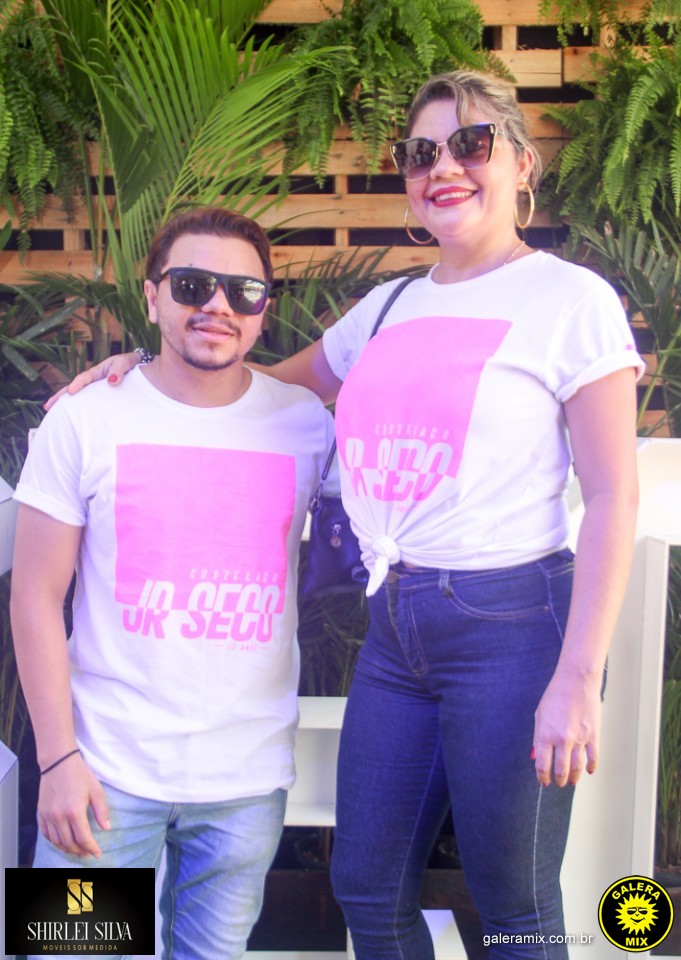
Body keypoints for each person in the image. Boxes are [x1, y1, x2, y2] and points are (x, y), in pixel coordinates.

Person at [49, 71, 643, 959]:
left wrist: (576, 677)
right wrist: (138, 366)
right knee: (365, 886)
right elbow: (248, 388)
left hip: (513, 625)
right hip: (394, 628)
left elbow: (611, 494)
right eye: (419, 152)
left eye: (470, 144)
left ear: (521, 163)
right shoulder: (390, 305)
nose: (442, 167)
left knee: (513, 904)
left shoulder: (569, 301)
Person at [10, 206, 335, 960]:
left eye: (242, 291)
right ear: (153, 297)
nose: (218, 305)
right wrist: (56, 760)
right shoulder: (84, 419)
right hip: (100, 776)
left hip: (246, 784)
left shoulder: (305, 425)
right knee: (70, 954)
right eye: (192, 285)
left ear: (263, 311)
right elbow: (34, 596)